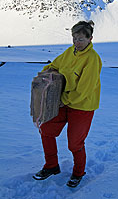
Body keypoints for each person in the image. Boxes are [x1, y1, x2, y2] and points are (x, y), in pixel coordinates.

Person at [33, 20, 102, 187]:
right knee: (46, 130)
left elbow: (83, 91)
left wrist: (63, 101)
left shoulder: (92, 59)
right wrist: (45, 73)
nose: (76, 43)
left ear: (90, 39)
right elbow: (55, 65)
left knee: (74, 143)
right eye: (74, 38)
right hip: (64, 103)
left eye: (80, 39)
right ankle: (52, 166)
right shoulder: (70, 52)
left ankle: (78, 173)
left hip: (82, 106)